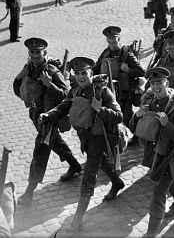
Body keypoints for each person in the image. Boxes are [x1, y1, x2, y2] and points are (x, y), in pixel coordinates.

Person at [39, 57, 124, 229]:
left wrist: (101, 109)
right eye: (77, 74)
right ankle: (117, 183)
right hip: (85, 137)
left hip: (100, 139)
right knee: (102, 162)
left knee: (88, 178)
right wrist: (49, 115)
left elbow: (119, 116)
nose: (80, 77)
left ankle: (77, 218)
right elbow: (64, 106)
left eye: (84, 73)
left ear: (91, 73)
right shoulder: (75, 90)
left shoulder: (103, 91)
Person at [13, 38, 82, 207]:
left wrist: (49, 84)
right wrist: (18, 80)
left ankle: (29, 194)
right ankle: (75, 165)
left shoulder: (51, 71)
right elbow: (18, 90)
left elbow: (67, 95)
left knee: (41, 150)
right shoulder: (28, 68)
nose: (35, 55)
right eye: (32, 52)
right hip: (36, 115)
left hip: (50, 117)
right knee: (54, 141)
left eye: (38, 52)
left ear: (45, 53)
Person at [129, 67, 174, 237]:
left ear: (167, 83)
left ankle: (150, 233)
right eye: (153, 83)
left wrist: (168, 125)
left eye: (160, 83)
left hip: (171, 157)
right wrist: (137, 116)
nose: (156, 86)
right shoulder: (149, 102)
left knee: (158, 194)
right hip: (154, 155)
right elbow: (134, 129)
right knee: (166, 183)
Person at [93, 26, 145, 129]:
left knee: (126, 117)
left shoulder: (126, 53)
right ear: (107, 40)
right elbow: (96, 68)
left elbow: (141, 71)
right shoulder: (105, 53)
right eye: (110, 39)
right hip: (109, 90)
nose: (112, 41)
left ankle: (135, 137)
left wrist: (128, 70)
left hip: (124, 92)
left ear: (119, 39)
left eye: (114, 38)